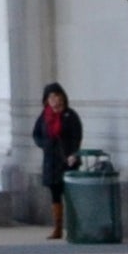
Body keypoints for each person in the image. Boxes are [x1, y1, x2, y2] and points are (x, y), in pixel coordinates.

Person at [34, 81, 84, 239]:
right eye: (52, 97)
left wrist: (74, 154)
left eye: (58, 96)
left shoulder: (70, 115)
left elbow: (77, 136)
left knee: (70, 194)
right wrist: (45, 145)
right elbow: (36, 135)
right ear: (46, 100)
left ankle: (74, 227)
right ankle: (57, 227)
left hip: (68, 159)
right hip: (51, 161)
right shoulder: (44, 116)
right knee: (55, 194)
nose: (55, 100)